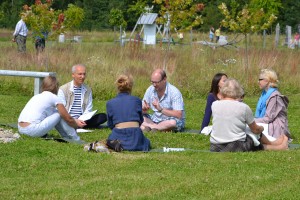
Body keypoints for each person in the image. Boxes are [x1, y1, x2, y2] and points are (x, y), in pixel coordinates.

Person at [210, 78, 288, 152]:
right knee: (254, 133)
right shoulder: (243, 107)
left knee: (248, 131)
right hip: (236, 145)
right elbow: (255, 129)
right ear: (238, 91)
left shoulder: (214, 105)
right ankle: (277, 146)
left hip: (215, 146)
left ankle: (274, 143)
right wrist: (261, 129)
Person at [18, 76, 85, 142]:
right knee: (59, 114)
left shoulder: (37, 96)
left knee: (57, 113)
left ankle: (67, 137)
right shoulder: (54, 97)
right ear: (56, 87)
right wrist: (76, 125)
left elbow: (54, 113)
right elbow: (67, 117)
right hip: (32, 130)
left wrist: (75, 120)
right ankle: (75, 139)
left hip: (21, 129)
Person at [106, 74, 151, 151]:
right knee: (147, 142)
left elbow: (110, 124)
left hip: (118, 138)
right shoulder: (137, 100)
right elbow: (140, 120)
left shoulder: (110, 103)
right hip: (136, 138)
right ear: (131, 87)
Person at [58, 64, 107, 129]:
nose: (82, 76)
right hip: (68, 119)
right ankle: (77, 125)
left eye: (84, 74)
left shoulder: (88, 89)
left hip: (82, 119)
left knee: (103, 116)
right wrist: (74, 120)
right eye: (80, 74)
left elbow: (88, 109)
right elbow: (61, 110)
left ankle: (81, 125)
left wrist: (82, 120)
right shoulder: (63, 89)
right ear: (73, 75)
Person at [254, 69, 291, 139]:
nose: (258, 82)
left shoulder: (274, 96)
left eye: (260, 79)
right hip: (267, 124)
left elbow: (268, 118)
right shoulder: (264, 94)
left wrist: (251, 121)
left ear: (267, 80)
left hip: (275, 128)